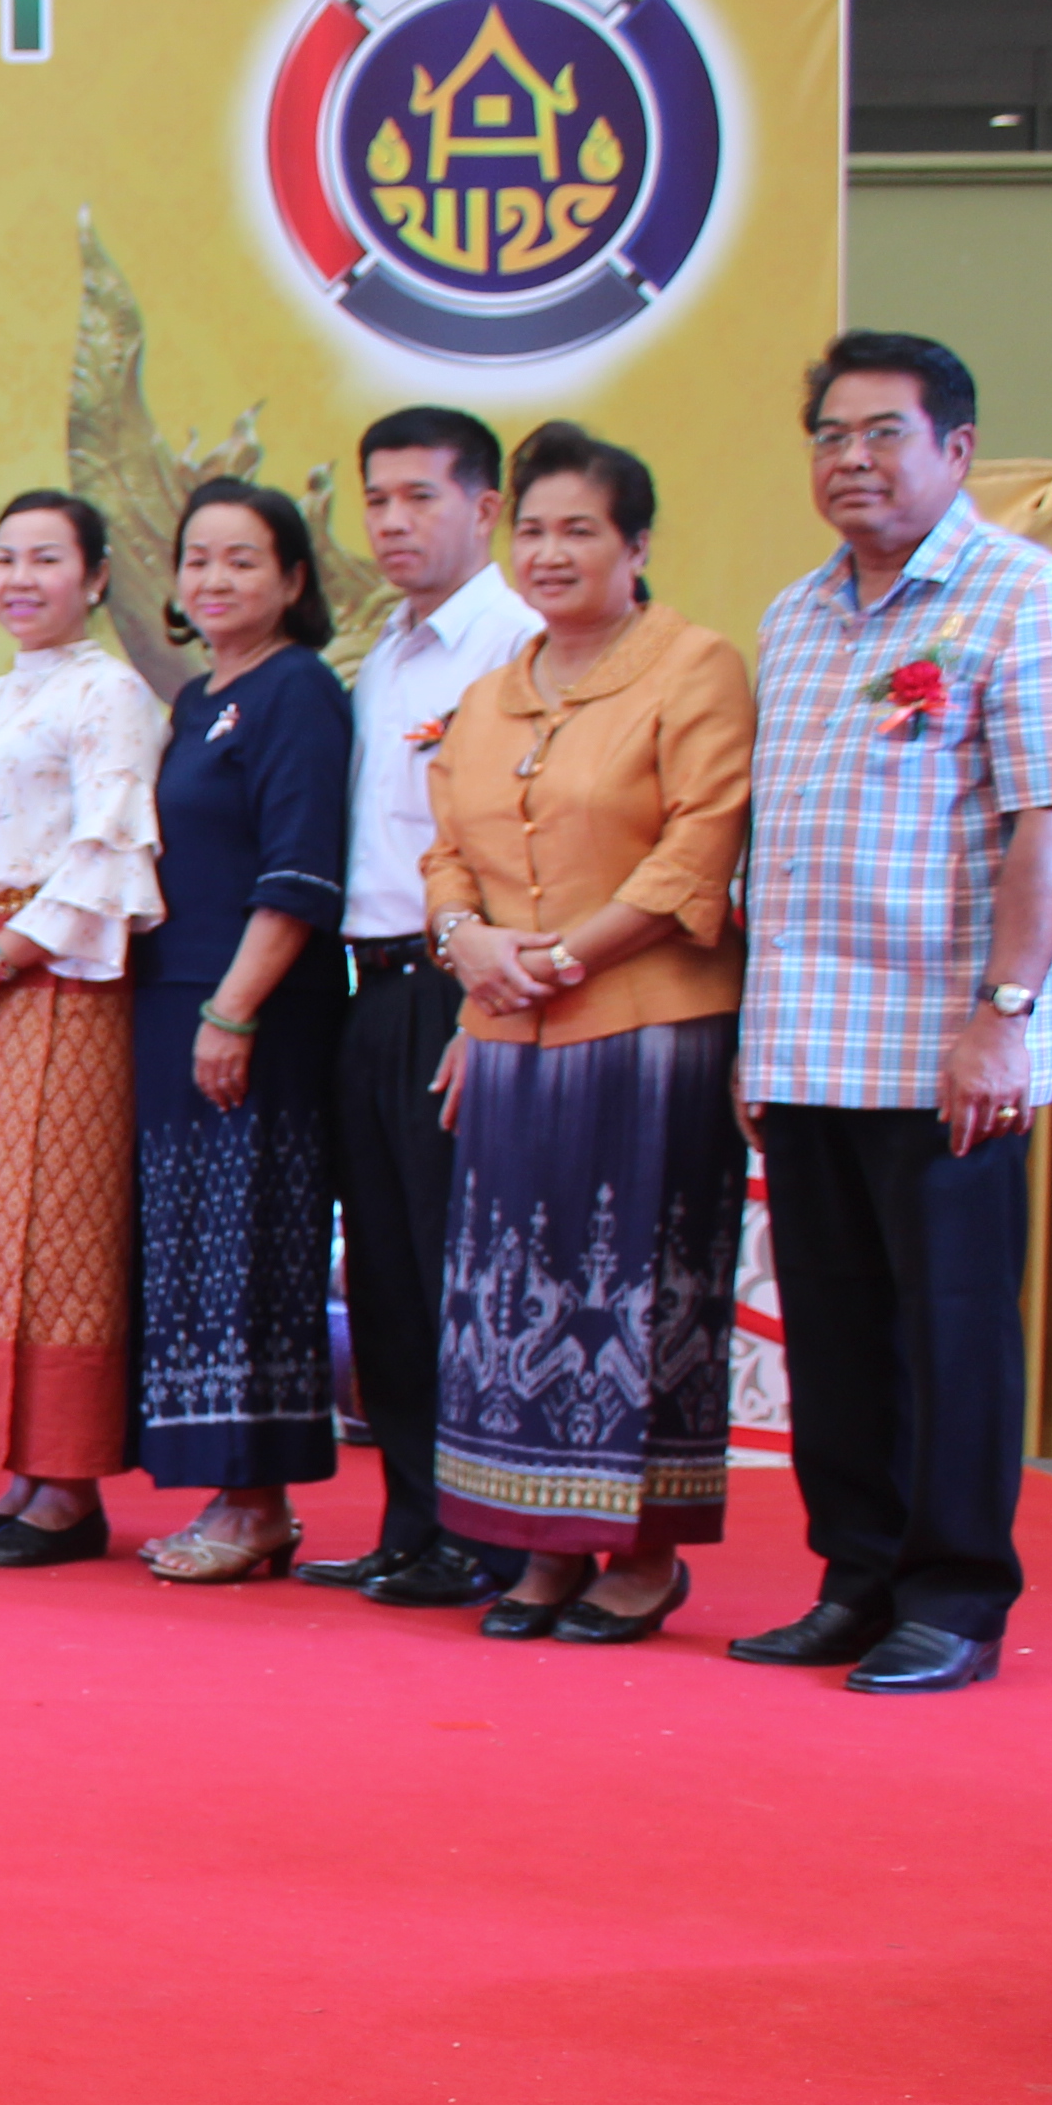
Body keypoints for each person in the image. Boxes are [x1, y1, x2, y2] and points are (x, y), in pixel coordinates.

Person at [737, 330, 1052, 1694]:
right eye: (830, 436)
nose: (852, 459)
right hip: (807, 1044)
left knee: (951, 1332)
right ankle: (856, 1579)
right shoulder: (794, 617)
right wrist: (755, 1044)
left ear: (957, 449)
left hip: (946, 1047)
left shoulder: (1033, 598)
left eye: (883, 433)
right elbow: (774, 845)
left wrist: (1003, 1015)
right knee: (838, 1336)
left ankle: (955, 1600)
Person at [424, 426, 757, 1647]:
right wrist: (467, 943)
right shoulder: (491, 692)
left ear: (638, 544)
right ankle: (543, 1543)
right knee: (515, 1290)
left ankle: (646, 1554)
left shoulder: (695, 667)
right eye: (535, 531)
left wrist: (562, 958)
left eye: (581, 530)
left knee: (635, 1289)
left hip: (649, 1026)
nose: (552, 553)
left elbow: (697, 846)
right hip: (511, 1033)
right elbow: (446, 849)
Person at [310, 408, 545, 1606]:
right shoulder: (385, 653)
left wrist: (482, 1012)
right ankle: (412, 1519)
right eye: (378, 500)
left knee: (467, 1269)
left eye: (421, 497)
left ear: (486, 509)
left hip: (469, 993)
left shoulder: (517, 642)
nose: (393, 522)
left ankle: (491, 1533)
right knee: (388, 1275)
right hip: (373, 987)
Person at [0, 490, 166, 1568]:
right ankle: (19, 1474)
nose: (21, 578)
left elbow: (108, 851)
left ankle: (68, 1483)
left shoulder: (113, 692)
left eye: (47, 559)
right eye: (6, 556)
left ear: (97, 578)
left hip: (60, 975)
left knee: (57, 1226)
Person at [128, 481, 354, 1581]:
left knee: (253, 1247)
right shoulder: (193, 700)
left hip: (254, 1011)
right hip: (174, 1002)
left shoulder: (297, 689)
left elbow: (299, 871)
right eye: (198, 559)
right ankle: (227, 1489)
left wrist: (233, 1009)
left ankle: (257, 1501)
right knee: (191, 1252)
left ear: (294, 579)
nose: (214, 580)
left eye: (243, 560)